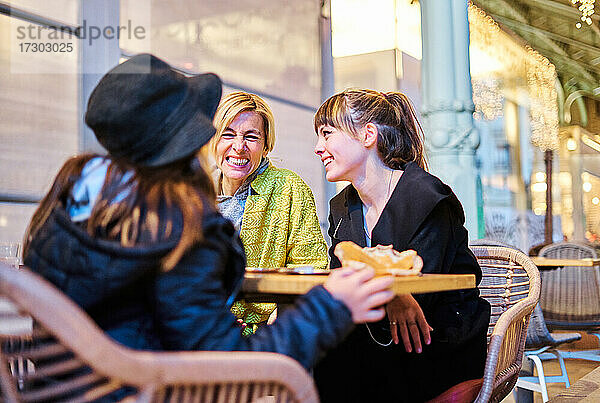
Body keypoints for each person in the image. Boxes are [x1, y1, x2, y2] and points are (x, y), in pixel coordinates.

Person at [22, 55, 395, 375]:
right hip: (153, 390)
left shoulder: (66, 209)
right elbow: (229, 367)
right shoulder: (181, 231)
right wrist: (332, 305)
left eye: (250, 136)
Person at [312, 89, 491, 402]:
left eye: (327, 134)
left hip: (437, 344)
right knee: (318, 351)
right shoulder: (341, 206)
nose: (318, 148)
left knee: (334, 360)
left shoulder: (428, 197)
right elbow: (341, 279)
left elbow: (424, 293)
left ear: (368, 134)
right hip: (374, 336)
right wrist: (392, 293)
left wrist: (393, 291)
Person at [210, 91, 327, 335]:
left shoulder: (289, 188)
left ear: (266, 145)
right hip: (202, 333)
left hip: (266, 337)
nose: (239, 147)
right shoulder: (195, 191)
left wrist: (277, 319)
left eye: (251, 137)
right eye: (228, 134)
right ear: (214, 141)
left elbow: (311, 269)